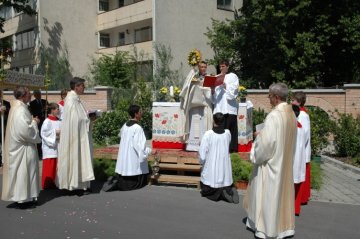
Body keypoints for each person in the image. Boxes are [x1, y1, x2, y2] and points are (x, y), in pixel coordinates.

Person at [243, 83, 297, 239]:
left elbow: (266, 145)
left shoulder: (274, 116)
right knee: (281, 197)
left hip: (271, 165)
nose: (269, 99)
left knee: (269, 197)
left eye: (270, 96)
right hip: (284, 163)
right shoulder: (291, 114)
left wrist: (255, 148)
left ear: (276, 97)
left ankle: (266, 229)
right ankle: (284, 229)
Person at [1, 87, 41, 209]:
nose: (31, 96)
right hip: (22, 148)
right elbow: (24, 131)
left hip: (24, 146)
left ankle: (29, 197)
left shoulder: (20, 107)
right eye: (29, 94)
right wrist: (34, 123)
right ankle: (23, 199)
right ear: (23, 96)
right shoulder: (19, 110)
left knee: (28, 172)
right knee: (23, 173)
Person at [57, 77, 94, 192]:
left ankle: (82, 184)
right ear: (76, 87)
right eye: (82, 85)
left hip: (80, 135)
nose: (84, 87)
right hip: (75, 137)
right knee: (76, 158)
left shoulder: (76, 99)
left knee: (80, 158)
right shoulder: (71, 100)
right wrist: (87, 119)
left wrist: (88, 118)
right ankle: (75, 185)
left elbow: (80, 117)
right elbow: (75, 120)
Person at [198, 112, 239, 204]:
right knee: (225, 180)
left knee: (207, 189)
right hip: (224, 163)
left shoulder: (208, 134)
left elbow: (202, 153)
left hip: (212, 164)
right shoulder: (228, 133)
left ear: (213, 121)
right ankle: (229, 190)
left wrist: (201, 162)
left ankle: (222, 194)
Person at [112, 105, 152, 191]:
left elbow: (122, 137)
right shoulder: (137, 128)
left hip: (125, 155)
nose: (142, 113)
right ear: (136, 114)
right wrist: (150, 151)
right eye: (140, 112)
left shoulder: (125, 125)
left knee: (127, 166)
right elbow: (140, 146)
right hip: (133, 156)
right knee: (133, 166)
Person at [180, 60, 213, 151]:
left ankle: (204, 145)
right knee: (194, 125)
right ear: (198, 67)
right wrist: (194, 83)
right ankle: (192, 145)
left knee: (205, 125)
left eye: (204, 67)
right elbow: (187, 87)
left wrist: (206, 88)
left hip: (205, 104)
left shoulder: (209, 76)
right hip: (194, 105)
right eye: (201, 67)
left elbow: (210, 90)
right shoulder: (193, 76)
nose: (203, 68)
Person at [212, 59, 239, 152]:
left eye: (223, 66)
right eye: (220, 66)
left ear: (227, 67)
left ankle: (232, 150)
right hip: (219, 109)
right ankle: (219, 149)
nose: (221, 68)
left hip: (229, 108)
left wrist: (225, 86)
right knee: (219, 131)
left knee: (230, 132)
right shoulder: (216, 77)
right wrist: (212, 90)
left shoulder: (233, 76)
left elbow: (233, 94)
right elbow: (214, 98)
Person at [292, 91, 311, 205]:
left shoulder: (303, 115)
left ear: (298, 102)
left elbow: (305, 133)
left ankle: (302, 198)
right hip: (299, 149)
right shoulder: (299, 113)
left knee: (300, 174)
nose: (291, 101)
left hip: (301, 150)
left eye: (293, 100)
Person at [41, 103, 61, 189]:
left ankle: (55, 182)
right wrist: (55, 133)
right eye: (57, 109)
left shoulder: (60, 120)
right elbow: (44, 134)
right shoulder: (47, 121)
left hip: (58, 145)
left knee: (56, 165)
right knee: (50, 165)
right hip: (50, 147)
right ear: (52, 110)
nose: (59, 110)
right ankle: (47, 184)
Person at [292, 104, 307, 216]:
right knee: (296, 186)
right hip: (299, 160)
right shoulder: (300, 126)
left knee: (291, 187)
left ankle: (291, 209)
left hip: (293, 160)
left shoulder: (292, 128)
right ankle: (296, 209)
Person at [29, 89, 48, 158]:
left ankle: (45, 151)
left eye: (39, 94)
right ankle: (40, 153)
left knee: (45, 136)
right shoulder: (32, 103)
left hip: (45, 121)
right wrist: (41, 110)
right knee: (39, 136)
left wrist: (47, 109)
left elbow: (48, 110)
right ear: (34, 95)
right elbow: (34, 113)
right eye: (37, 95)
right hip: (38, 121)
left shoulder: (45, 101)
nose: (39, 96)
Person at [0, 90, 11, 167]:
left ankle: (6, 159)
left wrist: (5, 110)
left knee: (4, 141)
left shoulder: (6, 103)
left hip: (4, 125)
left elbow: (10, 113)